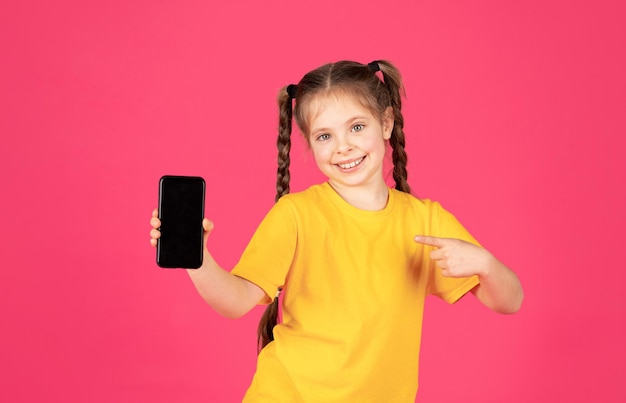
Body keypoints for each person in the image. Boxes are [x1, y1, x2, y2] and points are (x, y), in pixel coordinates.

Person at [149, 60, 524, 402]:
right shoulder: (296, 214)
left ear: (387, 123)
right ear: (310, 144)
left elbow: (509, 301)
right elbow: (236, 301)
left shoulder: (424, 220)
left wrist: (487, 264)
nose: (343, 147)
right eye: (324, 136)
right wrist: (196, 259)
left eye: (357, 127)